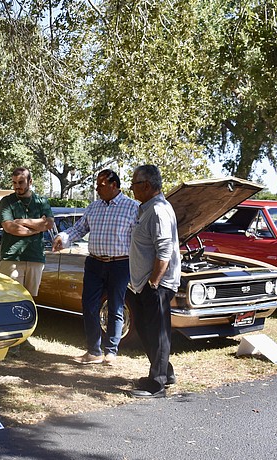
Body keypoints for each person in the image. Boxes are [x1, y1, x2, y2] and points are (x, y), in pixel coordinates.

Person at [52, 169, 138, 366]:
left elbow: (138, 239)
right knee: (89, 306)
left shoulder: (133, 208)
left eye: (101, 185)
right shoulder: (93, 207)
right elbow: (79, 229)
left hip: (120, 263)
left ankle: (111, 352)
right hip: (94, 263)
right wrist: (63, 238)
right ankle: (93, 351)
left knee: (116, 306)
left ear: (114, 185)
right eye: (96, 185)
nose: (97, 189)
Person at [127, 164, 181, 398]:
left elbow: (164, 250)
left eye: (134, 184)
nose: (131, 189)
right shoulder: (146, 209)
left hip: (156, 284)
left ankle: (157, 385)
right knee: (145, 329)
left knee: (157, 332)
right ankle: (164, 372)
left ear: (146, 185)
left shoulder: (159, 210)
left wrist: (153, 283)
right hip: (142, 284)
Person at [0, 167, 55, 297]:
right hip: (12, 257)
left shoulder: (41, 202)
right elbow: (10, 227)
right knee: (10, 298)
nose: (17, 186)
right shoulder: (6, 201)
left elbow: (49, 224)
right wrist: (37, 226)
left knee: (30, 300)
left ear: (30, 182)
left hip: (35, 257)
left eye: (21, 182)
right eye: (14, 183)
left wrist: (21, 221)